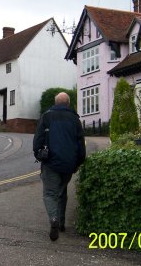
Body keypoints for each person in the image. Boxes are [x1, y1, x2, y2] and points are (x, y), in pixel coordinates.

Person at [33, 92, 86, 241]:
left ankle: (54, 219)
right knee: (62, 192)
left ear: (55, 103)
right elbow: (80, 143)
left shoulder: (47, 116)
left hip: (50, 162)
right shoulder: (75, 119)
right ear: (68, 103)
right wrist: (78, 162)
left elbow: (38, 140)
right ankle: (61, 223)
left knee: (50, 194)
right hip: (69, 163)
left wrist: (39, 156)